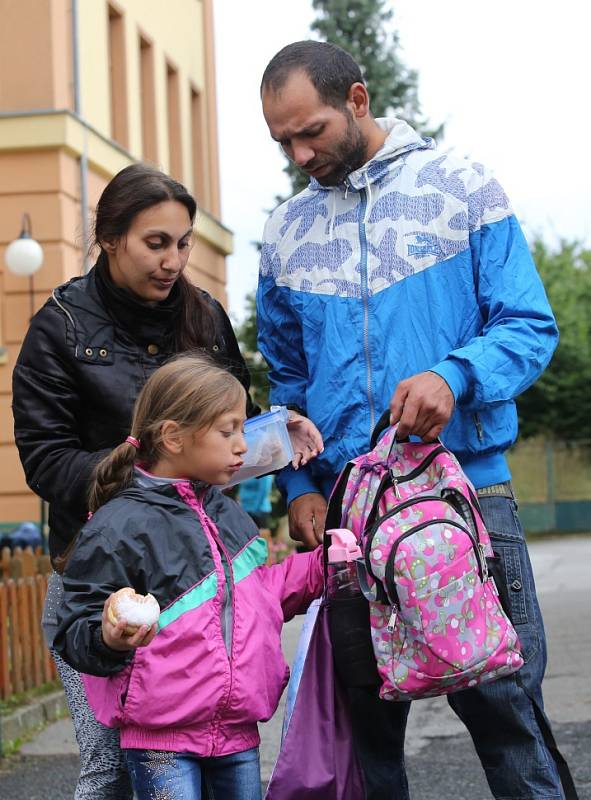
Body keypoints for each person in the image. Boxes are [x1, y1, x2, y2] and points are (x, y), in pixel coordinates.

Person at [257, 40, 574, 800]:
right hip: (345, 517)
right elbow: (287, 381)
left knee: (507, 718)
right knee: (366, 742)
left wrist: (452, 374)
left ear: (357, 102)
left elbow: (529, 325)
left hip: (467, 497)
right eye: (282, 142)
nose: (301, 154)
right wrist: (298, 480)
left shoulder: (463, 186)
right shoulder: (282, 235)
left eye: (311, 132)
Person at [11, 163, 322, 799]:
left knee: (220, 751)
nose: (174, 260)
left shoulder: (205, 318)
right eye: (157, 243)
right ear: (110, 238)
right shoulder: (60, 327)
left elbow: (225, 423)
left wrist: (269, 434)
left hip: (206, 575)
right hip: (101, 571)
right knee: (110, 767)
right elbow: (44, 460)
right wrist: (145, 486)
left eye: (183, 243)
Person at [52, 354, 323, 800]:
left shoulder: (230, 514)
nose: (242, 444)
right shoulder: (119, 524)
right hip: (162, 741)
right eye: (228, 430)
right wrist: (108, 639)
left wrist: (325, 563)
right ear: (174, 437)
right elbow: (75, 627)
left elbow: (265, 593)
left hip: (238, 732)